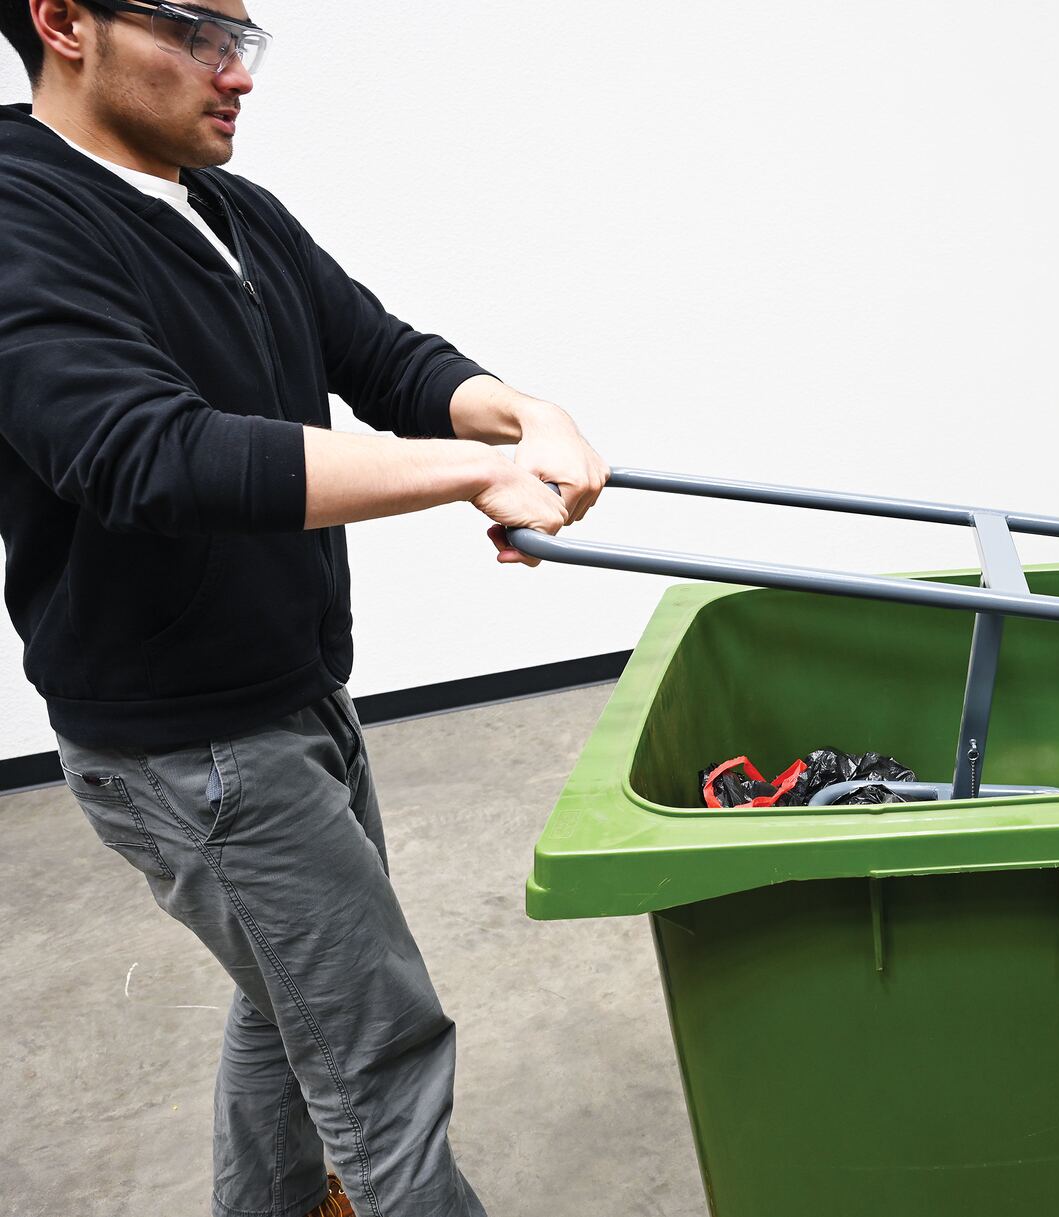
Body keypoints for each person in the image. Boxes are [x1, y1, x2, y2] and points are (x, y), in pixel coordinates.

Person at [0, 1, 609, 1213]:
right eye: (196, 32)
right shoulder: (22, 220)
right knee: (383, 1064)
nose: (237, 74)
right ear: (65, 21)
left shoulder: (229, 209)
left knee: (292, 1016)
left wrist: (522, 413)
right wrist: (471, 472)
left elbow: (380, 355)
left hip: (291, 693)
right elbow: (153, 455)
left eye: (244, 41)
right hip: (192, 747)